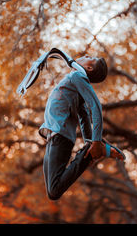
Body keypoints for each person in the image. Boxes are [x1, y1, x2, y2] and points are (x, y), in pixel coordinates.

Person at [39, 54, 125, 201]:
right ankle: (91, 150)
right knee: (51, 191)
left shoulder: (78, 76)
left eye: (90, 57)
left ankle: (90, 153)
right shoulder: (75, 83)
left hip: (61, 136)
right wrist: (89, 141)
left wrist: (96, 141)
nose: (85, 55)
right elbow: (83, 115)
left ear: (88, 67)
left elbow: (95, 106)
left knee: (54, 191)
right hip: (53, 137)